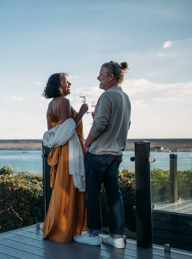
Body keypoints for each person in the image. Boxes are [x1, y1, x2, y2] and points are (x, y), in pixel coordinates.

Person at [73, 61, 131, 248]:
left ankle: (93, 235)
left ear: (110, 77)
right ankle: (117, 237)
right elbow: (124, 124)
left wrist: (86, 143)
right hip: (115, 154)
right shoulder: (125, 97)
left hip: (98, 154)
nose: (98, 77)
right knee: (114, 195)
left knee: (93, 195)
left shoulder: (106, 96)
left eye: (101, 74)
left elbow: (100, 125)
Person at [41, 73, 89, 243]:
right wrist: (82, 113)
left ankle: (58, 225)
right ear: (59, 85)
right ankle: (70, 229)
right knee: (70, 188)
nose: (70, 83)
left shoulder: (49, 106)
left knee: (62, 187)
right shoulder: (64, 102)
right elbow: (68, 128)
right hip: (70, 150)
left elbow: (51, 133)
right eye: (66, 81)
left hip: (59, 151)